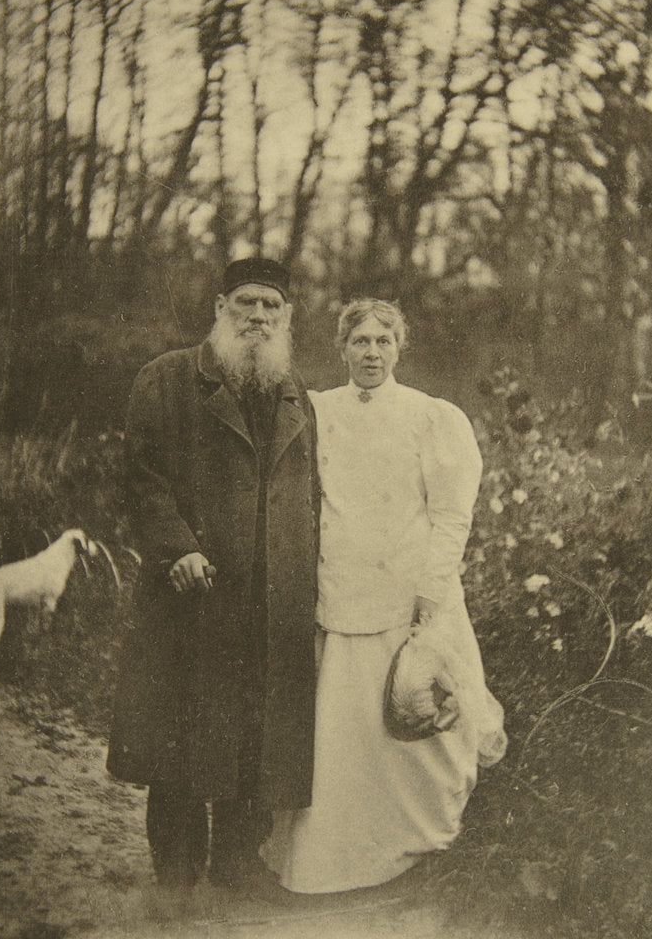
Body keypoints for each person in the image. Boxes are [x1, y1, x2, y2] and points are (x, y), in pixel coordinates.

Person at [261, 297, 506, 894]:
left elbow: (451, 516)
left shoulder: (431, 418)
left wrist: (432, 587)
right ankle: (335, 860)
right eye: (360, 342)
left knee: (412, 722)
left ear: (399, 348)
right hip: (339, 587)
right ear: (341, 348)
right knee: (343, 731)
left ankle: (411, 848)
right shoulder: (316, 411)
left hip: (411, 591)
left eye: (383, 342)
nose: (372, 353)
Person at [107, 258, 318, 896]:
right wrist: (177, 549)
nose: (258, 317)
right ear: (220, 308)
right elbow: (141, 478)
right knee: (180, 733)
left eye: (271, 307)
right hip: (192, 592)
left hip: (269, 597)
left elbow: (310, 492)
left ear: (287, 318)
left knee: (253, 732)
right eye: (247, 303)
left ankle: (238, 862)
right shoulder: (167, 379)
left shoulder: (291, 390)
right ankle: (175, 868)